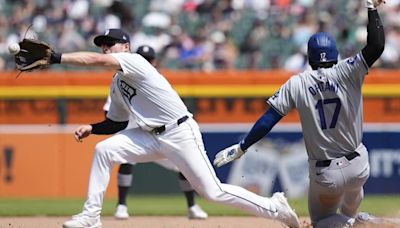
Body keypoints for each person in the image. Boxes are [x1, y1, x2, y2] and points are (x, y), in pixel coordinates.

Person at [49, 28, 300, 228]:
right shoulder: (116, 85)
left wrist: (57, 58)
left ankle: (275, 207)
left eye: (111, 44)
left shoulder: (134, 61)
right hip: (151, 136)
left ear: (125, 47)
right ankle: (91, 216)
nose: (105, 48)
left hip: (179, 132)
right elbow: (117, 122)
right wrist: (92, 128)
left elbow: (93, 60)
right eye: (103, 44)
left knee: (213, 193)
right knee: (104, 150)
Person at [213, 1, 385, 227]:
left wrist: (243, 146)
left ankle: (352, 224)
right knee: (353, 193)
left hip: (327, 174)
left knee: (321, 221)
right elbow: (376, 46)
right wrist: (372, 9)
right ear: (335, 53)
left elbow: (268, 120)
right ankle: (356, 219)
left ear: (310, 56)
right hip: (358, 166)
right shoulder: (348, 70)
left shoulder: (297, 83)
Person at [106, 45, 207, 220]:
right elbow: (110, 113)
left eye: (149, 59)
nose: (146, 61)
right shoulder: (120, 81)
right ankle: (121, 205)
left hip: (164, 134)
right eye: (142, 58)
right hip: (136, 134)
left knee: (184, 165)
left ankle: (192, 206)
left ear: (154, 62)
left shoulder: (157, 80)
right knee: (125, 160)